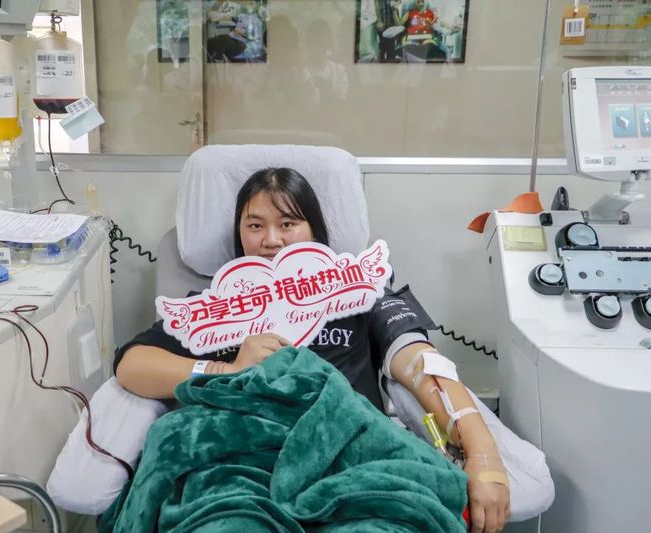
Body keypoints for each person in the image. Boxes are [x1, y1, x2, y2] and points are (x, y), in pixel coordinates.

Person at [116, 168, 548, 533]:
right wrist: (227, 369)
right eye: (255, 226)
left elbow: (423, 364)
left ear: (314, 231)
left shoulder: (359, 291)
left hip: (351, 452)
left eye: (288, 223)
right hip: (242, 462)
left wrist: (484, 456)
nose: (271, 240)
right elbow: (133, 364)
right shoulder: (214, 307)